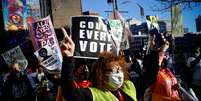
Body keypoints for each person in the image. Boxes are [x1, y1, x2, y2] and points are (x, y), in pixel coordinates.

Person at [59, 27, 137, 101]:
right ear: (101, 73)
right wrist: (68, 58)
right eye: (113, 71)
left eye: (120, 70)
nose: (119, 74)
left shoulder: (129, 86)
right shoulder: (94, 94)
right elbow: (70, 94)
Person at [143, 33, 182, 101]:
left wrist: (175, 84)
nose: (165, 54)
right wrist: (161, 51)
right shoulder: (151, 69)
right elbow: (154, 70)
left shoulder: (166, 69)